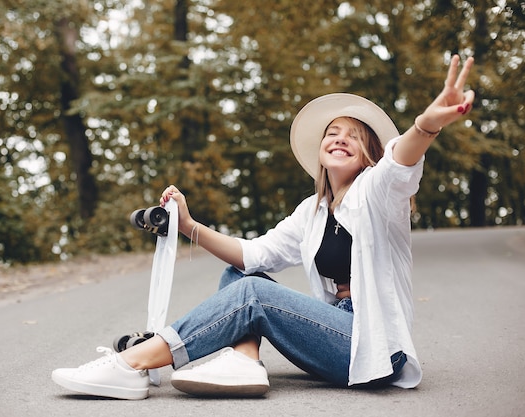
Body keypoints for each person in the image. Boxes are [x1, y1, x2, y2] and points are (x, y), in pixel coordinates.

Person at [52, 54, 475, 400]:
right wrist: (189, 224)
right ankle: (244, 363)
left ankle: (133, 364)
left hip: (373, 347)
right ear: (321, 148)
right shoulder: (312, 211)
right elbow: (251, 255)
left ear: (369, 154)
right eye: (332, 132)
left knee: (254, 293)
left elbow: (402, 160)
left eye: (353, 135)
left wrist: (427, 124)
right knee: (241, 275)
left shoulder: (378, 192)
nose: (340, 138)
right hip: (335, 330)